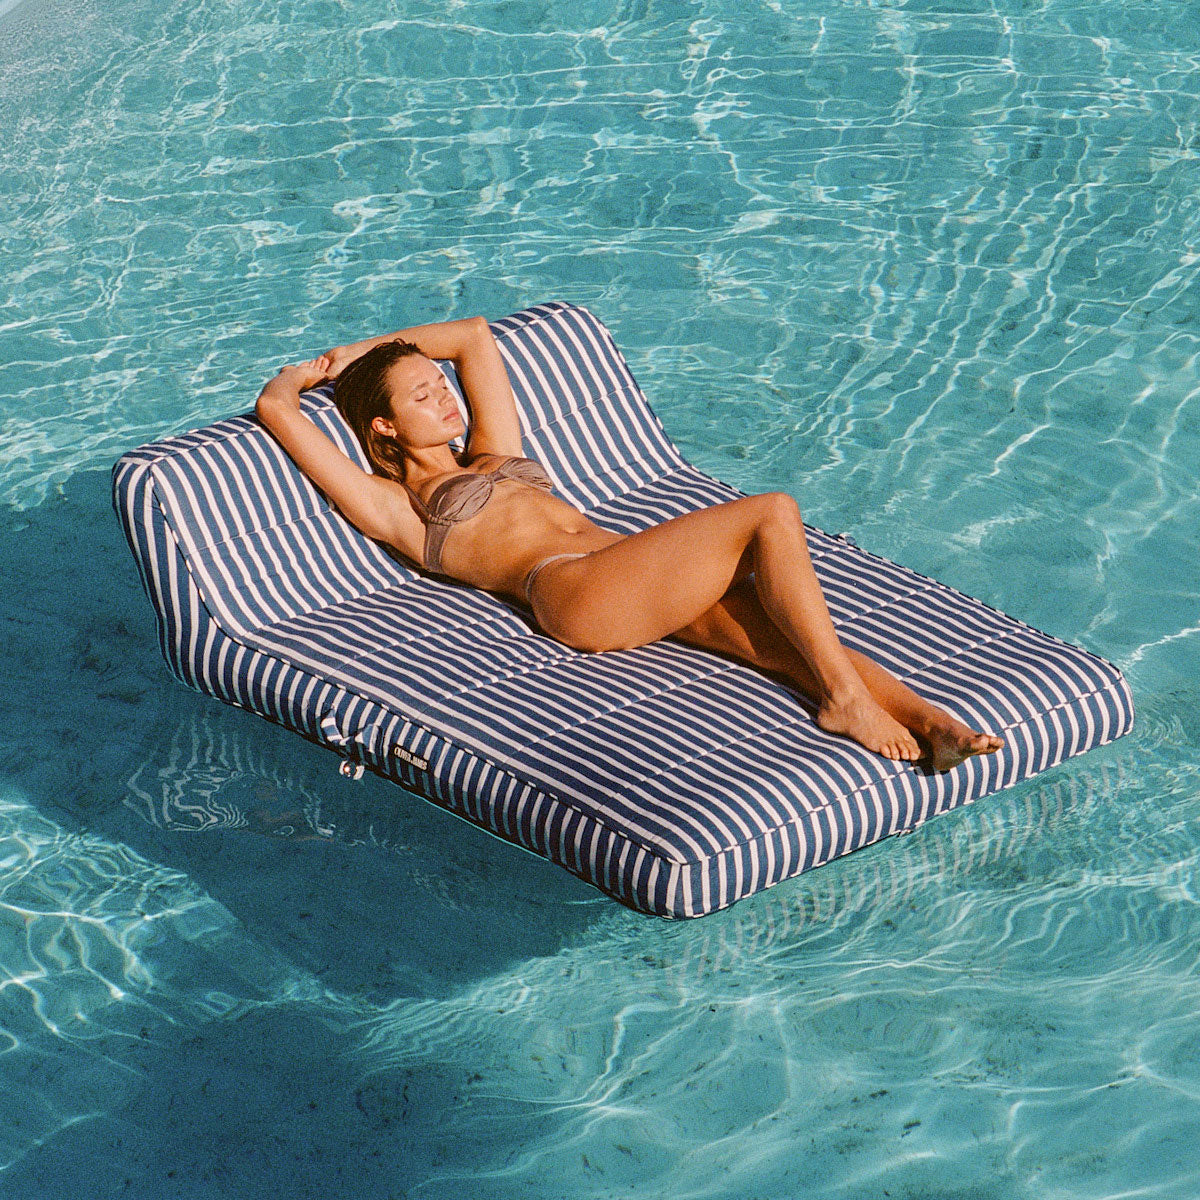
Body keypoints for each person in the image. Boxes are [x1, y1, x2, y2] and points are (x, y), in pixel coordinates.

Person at [255, 314, 1004, 772]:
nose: (444, 396)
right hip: (572, 591)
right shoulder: (403, 509)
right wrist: (303, 380)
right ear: (383, 428)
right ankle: (844, 699)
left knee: (771, 630)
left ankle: (929, 722)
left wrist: (358, 354)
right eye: (422, 396)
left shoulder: (495, 451)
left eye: (439, 386)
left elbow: (474, 338)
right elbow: (276, 411)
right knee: (770, 513)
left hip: (623, 572)